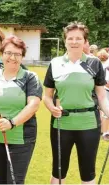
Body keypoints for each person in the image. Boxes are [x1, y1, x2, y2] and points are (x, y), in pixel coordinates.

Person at [43, 22, 109, 184]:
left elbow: (101, 96)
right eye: (70, 38)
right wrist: (51, 107)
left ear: (85, 41)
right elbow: (47, 95)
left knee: (88, 173)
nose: (74, 42)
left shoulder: (94, 64)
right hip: (61, 124)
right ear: (65, 41)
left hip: (89, 124)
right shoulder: (55, 63)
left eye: (78, 38)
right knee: (58, 171)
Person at [0, 35, 42, 184]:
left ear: (22, 57)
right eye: (8, 53)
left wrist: (12, 122)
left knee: (14, 181)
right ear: (2, 54)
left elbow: (33, 105)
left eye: (17, 54)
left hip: (21, 139)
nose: (12, 57)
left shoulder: (30, 77)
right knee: (1, 180)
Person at [97, 49, 109, 140]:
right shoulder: (106, 65)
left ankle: (103, 131)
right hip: (105, 90)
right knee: (104, 113)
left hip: (104, 89)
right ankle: (105, 133)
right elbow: (106, 82)